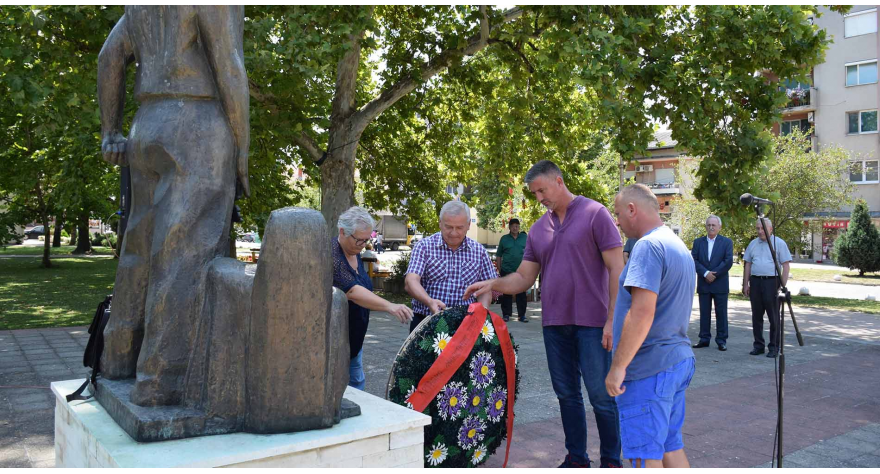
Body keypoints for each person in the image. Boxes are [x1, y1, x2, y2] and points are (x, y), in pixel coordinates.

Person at [98, 6, 250, 406]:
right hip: (197, 126)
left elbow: (109, 57)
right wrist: (242, 148)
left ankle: (118, 359)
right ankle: (163, 380)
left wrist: (110, 130)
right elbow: (229, 66)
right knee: (182, 258)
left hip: (145, 126)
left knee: (138, 251)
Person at [464, 160, 624, 468]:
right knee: (567, 395)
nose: (539, 198)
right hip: (554, 325)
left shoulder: (595, 214)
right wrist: (493, 283)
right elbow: (524, 277)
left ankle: (611, 461)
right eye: (534, 193)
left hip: (593, 323)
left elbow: (617, 268)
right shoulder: (538, 229)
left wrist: (612, 320)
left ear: (559, 181)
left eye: (542, 190)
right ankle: (577, 457)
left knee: (601, 397)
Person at [605, 184, 696, 469]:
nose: (617, 222)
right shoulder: (676, 245)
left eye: (618, 214)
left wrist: (618, 366)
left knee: (643, 456)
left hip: (648, 368)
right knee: (670, 446)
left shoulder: (647, 246)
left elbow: (641, 312)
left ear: (632, 209)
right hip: (674, 361)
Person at [332, 206, 413, 389]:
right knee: (346, 389)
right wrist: (389, 306)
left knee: (357, 383)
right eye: (359, 240)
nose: (363, 245)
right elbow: (351, 291)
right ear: (342, 231)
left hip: (355, 338)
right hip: (336, 340)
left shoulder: (354, 251)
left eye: (366, 240)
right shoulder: (332, 254)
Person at [405, 200, 497, 333]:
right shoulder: (424, 247)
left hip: (466, 324)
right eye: (448, 227)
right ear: (440, 223)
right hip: (426, 320)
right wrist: (429, 301)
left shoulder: (479, 251)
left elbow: (487, 288)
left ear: (468, 225)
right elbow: (411, 282)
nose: (454, 233)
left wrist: (481, 313)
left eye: (459, 227)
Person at [742, 217, 791, 358]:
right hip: (756, 282)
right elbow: (748, 265)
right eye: (758, 228)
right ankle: (758, 345)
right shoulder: (753, 244)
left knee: (774, 317)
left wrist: (782, 285)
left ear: (770, 229)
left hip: (772, 282)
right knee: (756, 316)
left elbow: (786, 266)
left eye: (763, 228)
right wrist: (746, 283)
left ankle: (774, 347)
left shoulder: (779, 243)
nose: (760, 231)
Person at [691, 215, 733, 351]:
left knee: (721, 313)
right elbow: (694, 260)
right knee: (704, 313)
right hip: (704, 283)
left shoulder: (727, 242)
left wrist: (713, 274)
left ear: (719, 227)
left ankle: (721, 340)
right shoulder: (698, 242)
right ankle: (704, 339)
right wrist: (705, 273)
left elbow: (728, 261)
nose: (711, 227)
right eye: (709, 225)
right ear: (706, 226)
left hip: (720, 283)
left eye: (714, 225)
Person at [497, 218, 529, 323]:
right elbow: (499, 255)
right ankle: (506, 315)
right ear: (509, 227)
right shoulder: (504, 239)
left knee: (521, 293)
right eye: (513, 226)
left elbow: (530, 252)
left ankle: (522, 315)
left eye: (517, 226)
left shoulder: (525, 237)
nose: (515, 228)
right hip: (506, 269)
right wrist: (499, 268)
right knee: (507, 293)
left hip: (521, 271)